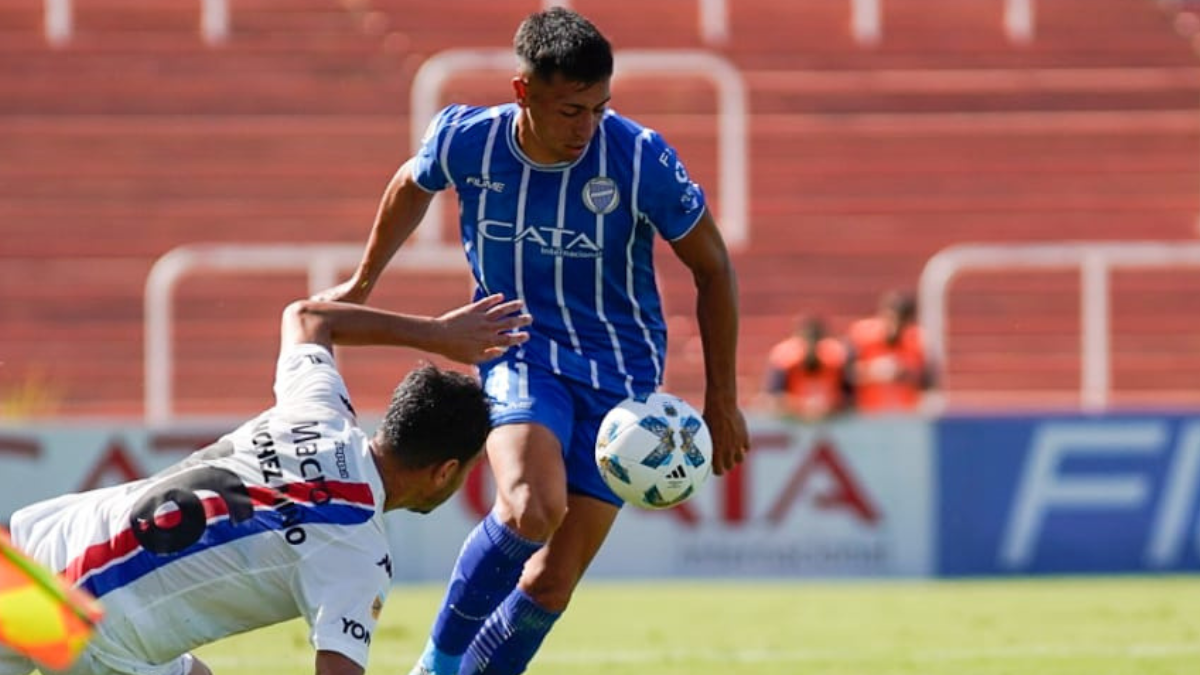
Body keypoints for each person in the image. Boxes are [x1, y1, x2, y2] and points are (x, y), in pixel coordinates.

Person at [313, 7, 750, 674]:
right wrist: (364, 280)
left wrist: (723, 397)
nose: (588, 127)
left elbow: (713, 266)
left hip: (621, 377)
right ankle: (436, 662)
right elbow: (411, 181)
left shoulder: (639, 157)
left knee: (553, 582)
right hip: (519, 349)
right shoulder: (468, 139)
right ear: (525, 92)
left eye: (600, 108)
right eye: (572, 110)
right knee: (529, 506)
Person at [0, 293, 532, 675]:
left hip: (31, 555)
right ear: (445, 471)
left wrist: (436, 334)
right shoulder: (357, 552)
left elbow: (307, 316)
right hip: (95, 637)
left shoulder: (317, 411)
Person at [846, 290, 934, 413]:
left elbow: (928, 381)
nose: (895, 326)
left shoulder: (916, 340)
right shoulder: (863, 335)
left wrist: (903, 373)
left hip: (904, 415)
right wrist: (875, 371)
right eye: (892, 319)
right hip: (869, 415)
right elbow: (845, 377)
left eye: (901, 321)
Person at [762, 314, 853, 421]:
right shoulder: (784, 359)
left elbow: (849, 398)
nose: (811, 345)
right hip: (793, 421)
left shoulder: (836, 358)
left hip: (830, 421)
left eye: (815, 340)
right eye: (808, 340)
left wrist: (829, 405)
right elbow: (771, 397)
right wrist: (800, 406)